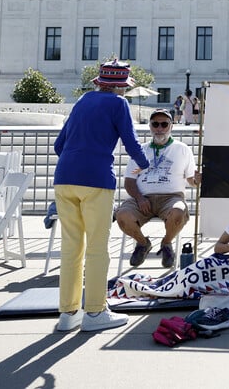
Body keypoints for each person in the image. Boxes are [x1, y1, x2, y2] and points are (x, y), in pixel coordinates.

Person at [53, 60, 150, 332]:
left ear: (99, 82)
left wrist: (76, 160)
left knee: (71, 247)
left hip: (64, 178)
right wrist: (145, 163)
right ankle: (95, 311)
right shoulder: (119, 105)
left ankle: (68, 313)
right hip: (96, 180)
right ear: (121, 87)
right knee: (97, 247)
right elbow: (130, 141)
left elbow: (58, 145)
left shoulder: (83, 101)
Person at [115, 108, 201, 269]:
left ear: (171, 126)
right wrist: (139, 198)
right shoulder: (141, 149)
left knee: (178, 211)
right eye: (155, 124)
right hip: (142, 197)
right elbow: (129, 181)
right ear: (150, 126)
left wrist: (197, 180)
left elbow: (191, 180)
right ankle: (143, 243)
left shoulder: (182, 149)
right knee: (121, 215)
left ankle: (166, 244)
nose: (160, 128)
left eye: (164, 124)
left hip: (171, 197)